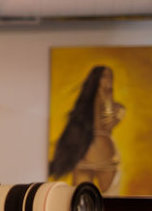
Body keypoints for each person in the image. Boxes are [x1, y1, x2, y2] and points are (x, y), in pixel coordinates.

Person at [48, 64, 125, 194]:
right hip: (86, 158)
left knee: (109, 203)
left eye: (110, 77)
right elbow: (105, 118)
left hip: (102, 157)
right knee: (79, 202)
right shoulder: (86, 107)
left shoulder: (117, 108)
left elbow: (107, 121)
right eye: (104, 77)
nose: (109, 80)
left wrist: (107, 96)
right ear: (96, 80)